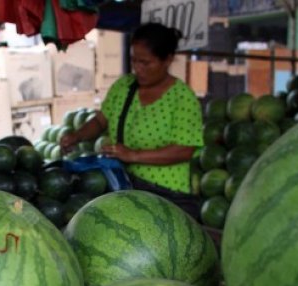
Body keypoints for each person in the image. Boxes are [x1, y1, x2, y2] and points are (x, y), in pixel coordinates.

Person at [60, 22, 204, 219]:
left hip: (167, 194)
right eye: (134, 61)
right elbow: (101, 121)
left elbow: (184, 150)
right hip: (124, 186)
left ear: (167, 60)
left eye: (145, 63)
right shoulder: (124, 87)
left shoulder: (183, 97)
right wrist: (76, 136)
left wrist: (133, 155)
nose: (138, 69)